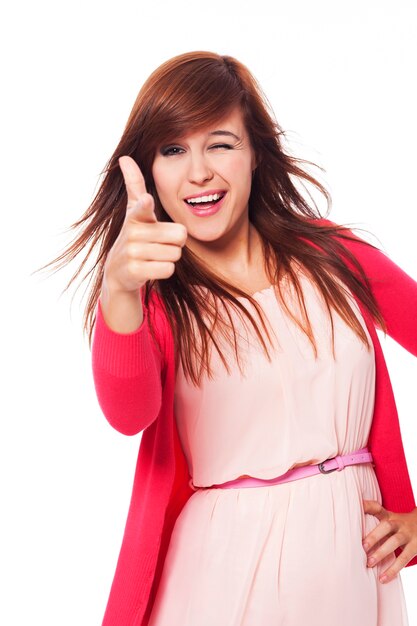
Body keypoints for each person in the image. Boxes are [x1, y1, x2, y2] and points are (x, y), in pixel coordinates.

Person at [41, 51, 417, 625]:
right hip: (219, 576)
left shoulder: (337, 259)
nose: (198, 172)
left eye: (220, 143)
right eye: (172, 149)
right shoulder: (154, 299)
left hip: (352, 574)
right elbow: (128, 413)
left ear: (255, 155)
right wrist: (119, 291)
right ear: (149, 168)